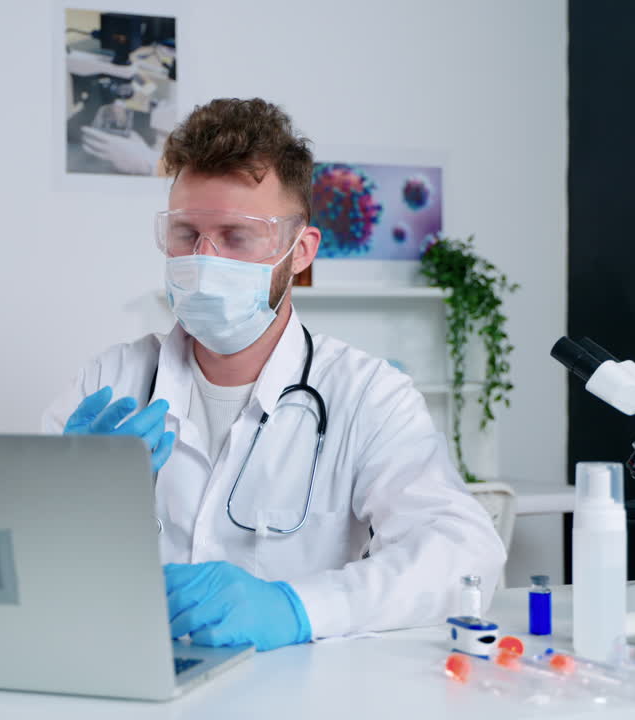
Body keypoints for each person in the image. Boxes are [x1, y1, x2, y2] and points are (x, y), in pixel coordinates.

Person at [42, 98, 506, 651]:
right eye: (186, 233)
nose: (205, 259)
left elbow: (464, 553)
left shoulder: (367, 395)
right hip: (135, 670)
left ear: (300, 250)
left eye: (237, 236)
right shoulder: (110, 383)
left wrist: (297, 607)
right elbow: (18, 554)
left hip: (295, 685)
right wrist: (66, 494)